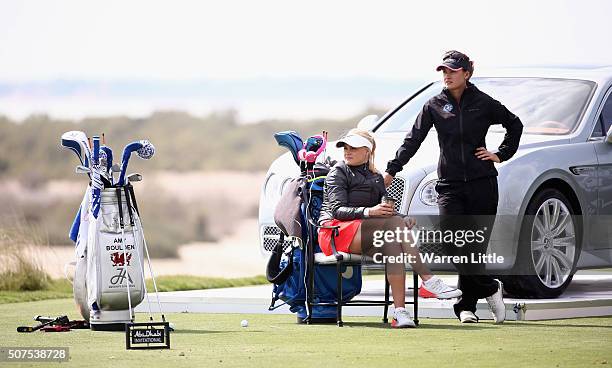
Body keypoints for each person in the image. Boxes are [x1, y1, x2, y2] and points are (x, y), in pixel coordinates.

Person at [383, 50, 523, 324]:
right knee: (452, 243)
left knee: (475, 249)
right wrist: (392, 169)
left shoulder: (483, 102)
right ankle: (491, 287)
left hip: (483, 184)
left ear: (466, 74)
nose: (446, 75)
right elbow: (413, 140)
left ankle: (466, 308)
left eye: (452, 71)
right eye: (443, 71)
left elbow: (514, 124)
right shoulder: (434, 105)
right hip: (449, 186)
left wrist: (500, 154)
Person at [318, 128, 462, 328]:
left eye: (354, 148)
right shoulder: (338, 172)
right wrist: (371, 212)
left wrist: (403, 218)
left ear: (368, 151)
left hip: (364, 233)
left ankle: (400, 313)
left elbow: (384, 211)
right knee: (395, 226)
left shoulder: (376, 177)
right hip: (335, 233)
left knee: (393, 246)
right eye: (346, 148)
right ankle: (428, 280)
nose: (347, 152)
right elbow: (337, 211)